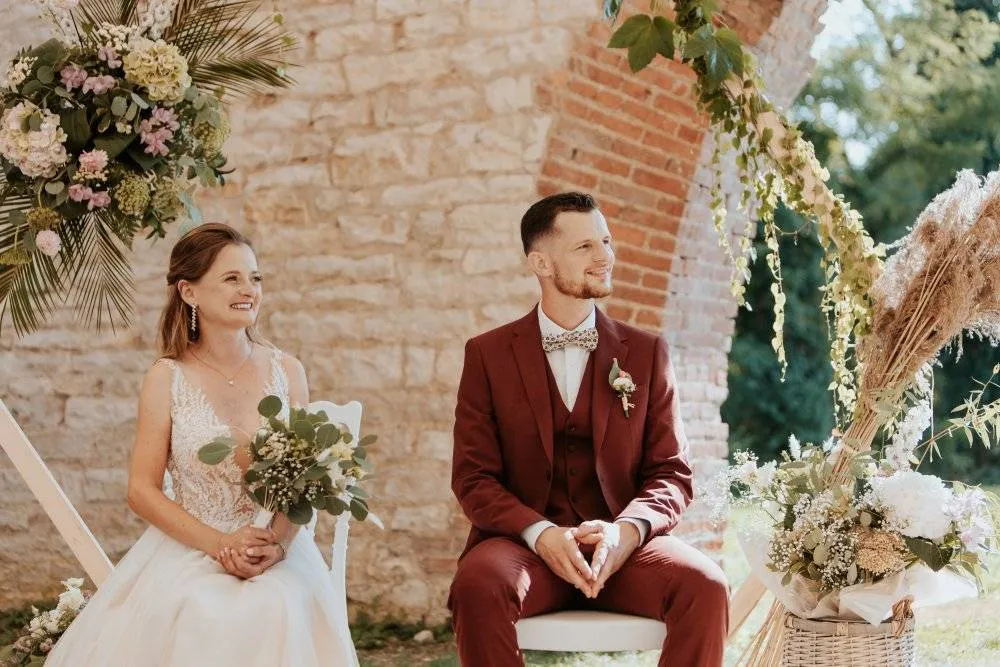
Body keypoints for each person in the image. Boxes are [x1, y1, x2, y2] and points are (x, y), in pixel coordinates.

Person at [45, 223, 356, 666]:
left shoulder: (288, 371)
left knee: (276, 605)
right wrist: (221, 544)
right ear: (189, 292)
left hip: (276, 545)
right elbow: (141, 490)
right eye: (231, 278)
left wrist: (277, 544)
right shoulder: (165, 378)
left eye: (254, 278)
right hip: (193, 545)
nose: (248, 290)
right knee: (199, 609)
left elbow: (305, 478)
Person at [448, 192, 729, 667]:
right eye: (585, 247)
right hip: (525, 550)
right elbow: (473, 478)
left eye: (606, 241)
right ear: (540, 262)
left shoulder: (647, 353)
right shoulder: (487, 355)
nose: (605, 257)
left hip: (625, 554)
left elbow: (672, 473)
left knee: (706, 585)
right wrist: (540, 533)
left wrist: (626, 533)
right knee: (478, 584)